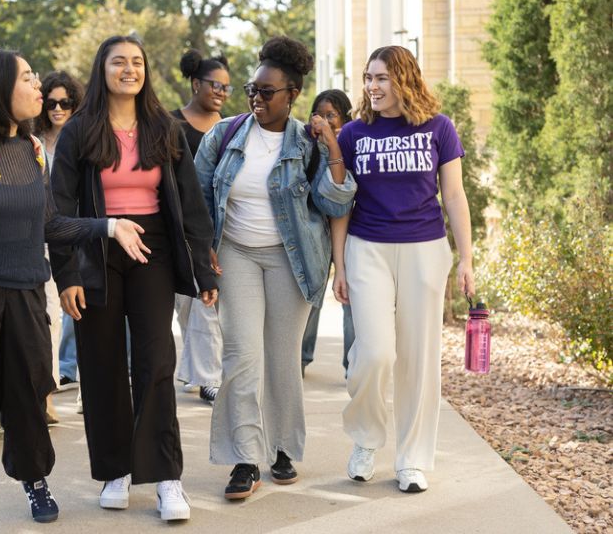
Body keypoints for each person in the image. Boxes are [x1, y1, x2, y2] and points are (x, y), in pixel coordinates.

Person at [0, 48, 150, 532]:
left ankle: (33, 478)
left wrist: (107, 227)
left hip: (25, 295)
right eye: (28, 79)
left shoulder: (32, 150)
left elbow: (51, 224)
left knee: (28, 398)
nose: (38, 89)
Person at [49, 35, 218, 522]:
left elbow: (190, 205)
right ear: (102, 70)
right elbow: (59, 210)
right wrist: (66, 275)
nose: (129, 69)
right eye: (119, 61)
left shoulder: (165, 127)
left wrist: (204, 267)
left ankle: (167, 477)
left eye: (137, 62)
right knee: (101, 365)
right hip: (97, 251)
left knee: (157, 360)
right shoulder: (81, 130)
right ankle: (115, 469)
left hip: (153, 250)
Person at [194, 36, 357, 500]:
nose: (256, 98)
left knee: (283, 360)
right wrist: (203, 252)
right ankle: (245, 458)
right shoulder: (222, 136)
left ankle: (282, 448)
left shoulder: (308, 143)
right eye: (253, 89)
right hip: (237, 254)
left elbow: (332, 200)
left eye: (268, 92)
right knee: (242, 354)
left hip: (293, 260)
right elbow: (199, 199)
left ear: (292, 95)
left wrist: (334, 149)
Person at [332, 45, 476, 494]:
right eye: (367, 78)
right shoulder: (353, 134)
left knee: (418, 358)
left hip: (424, 249)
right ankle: (366, 439)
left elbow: (453, 195)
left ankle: (411, 459)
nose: (371, 87)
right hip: (367, 247)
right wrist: (339, 265)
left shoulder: (439, 128)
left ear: (404, 80)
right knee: (375, 353)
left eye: (381, 78)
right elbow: (340, 205)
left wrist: (466, 256)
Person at [171, 48, 232, 403]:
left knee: (210, 303)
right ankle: (198, 369)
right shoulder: (171, 124)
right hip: (180, 227)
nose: (221, 92)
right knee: (187, 304)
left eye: (227, 87)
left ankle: (208, 375)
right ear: (195, 84)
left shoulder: (232, 127)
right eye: (214, 84)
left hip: (221, 226)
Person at [35, 71, 85, 422]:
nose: (57, 108)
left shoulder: (82, 140)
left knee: (86, 315)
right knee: (51, 318)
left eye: (65, 102)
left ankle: (90, 392)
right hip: (42, 239)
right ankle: (47, 396)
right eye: (50, 102)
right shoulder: (32, 141)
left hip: (78, 235)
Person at [301, 89, 356, 375]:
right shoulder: (308, 147)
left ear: (345, 118)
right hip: (317, 231)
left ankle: (352, 363)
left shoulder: (351, 144)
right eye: (319, 114)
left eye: (331, 115)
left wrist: (333, 142)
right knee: (313, 296)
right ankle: (301, 356)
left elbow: (340, 195)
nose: (324, 121)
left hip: (353, 230)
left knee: (351, 298)